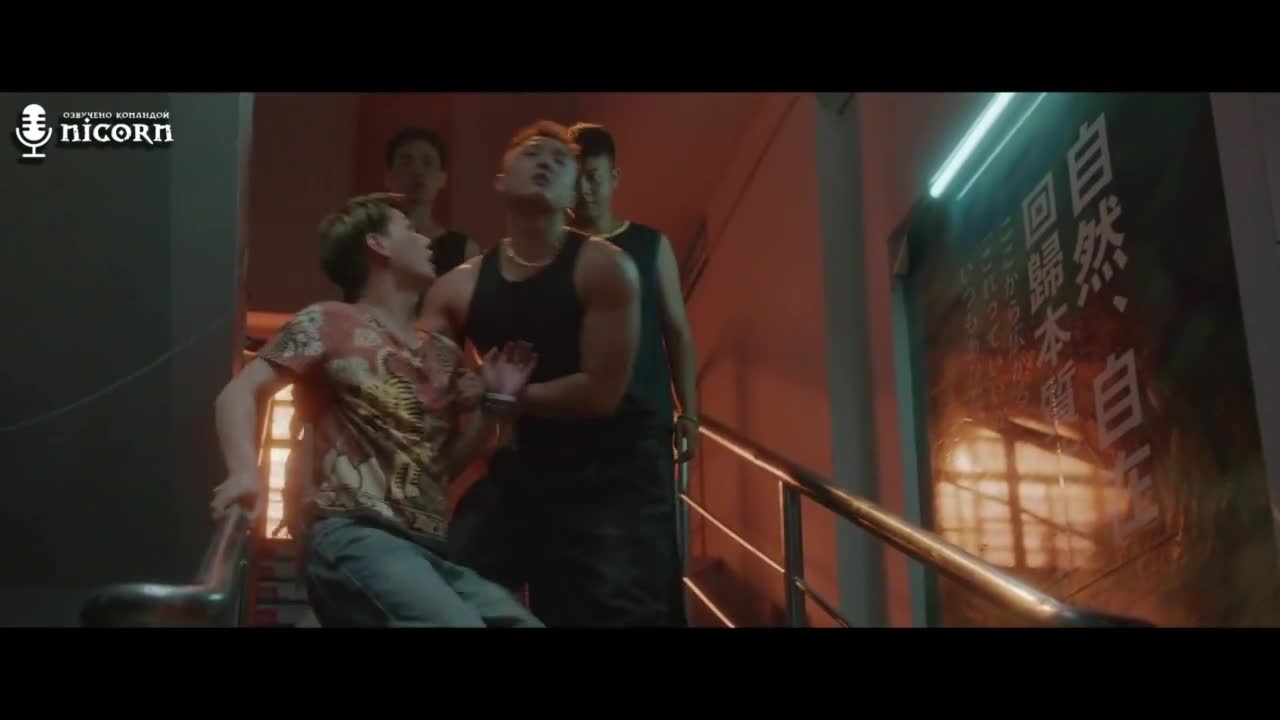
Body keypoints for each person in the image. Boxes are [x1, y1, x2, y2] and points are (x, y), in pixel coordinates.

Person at [209, 191, 543, 628]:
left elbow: (442, 467)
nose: (426, 240)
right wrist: (243, 472)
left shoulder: (442, 353)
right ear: (377, 244)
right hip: (354, 533)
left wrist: (494, 404)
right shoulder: (329, 321)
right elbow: (237, 394)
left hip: (427, 551)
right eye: (409, 229)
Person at [422, 120, 685, 627]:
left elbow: (601, 392)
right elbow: (427, 384)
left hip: (614, 472)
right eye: (531, 153)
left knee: (618, 614)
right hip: (528, 464)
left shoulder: (608, 267)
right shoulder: (458, 288)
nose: (545, 161)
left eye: (561, 160)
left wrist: (504, 396)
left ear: (572, 191)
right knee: (449, 574)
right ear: (500, 180)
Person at [567, 122, 700, 465]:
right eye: (574, 179)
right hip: (571, 429)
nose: (583, 190)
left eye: (593, 177)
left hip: (645, 425)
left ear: (614, 178)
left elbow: (677, 331)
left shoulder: (650, 245)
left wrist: (688, 411)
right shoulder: (554, 252)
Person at [384, 127, 479, 276]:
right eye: (406, 163)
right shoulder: (371, 241)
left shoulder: (463, 249)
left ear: (442, 179)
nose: (418, 171)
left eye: (428, 163)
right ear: (389, 177)